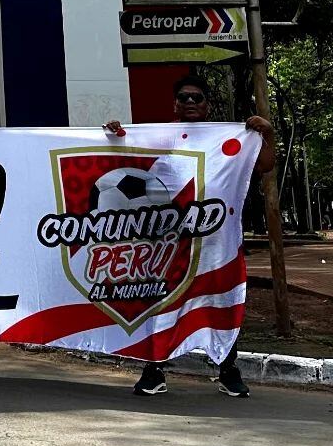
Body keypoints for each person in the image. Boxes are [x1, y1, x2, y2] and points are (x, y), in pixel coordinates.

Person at [104, 73, 275, 398]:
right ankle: (154, 371)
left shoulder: (231, 138)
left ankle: (228, 370)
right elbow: (125, 155)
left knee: (221, 302)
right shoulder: (162, 137)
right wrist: (114, 135)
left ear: (208, 104)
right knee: (163, 302)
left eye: (197, 97)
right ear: (175, 103)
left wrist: (267, 133)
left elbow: (264, 165)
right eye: (185, 97)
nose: (191, 102)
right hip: (171, 244)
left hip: (216, 244)